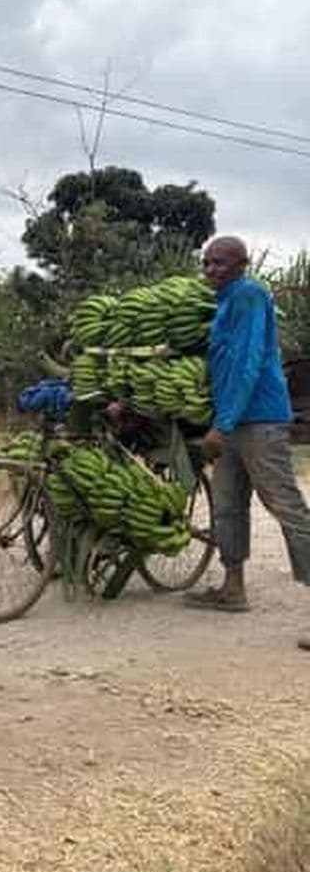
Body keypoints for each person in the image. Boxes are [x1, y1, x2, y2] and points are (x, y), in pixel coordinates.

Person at [184, 236, 310, 651]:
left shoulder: (251, 295)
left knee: (286, 507)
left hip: (259, 421)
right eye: (207, 263)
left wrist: (223, 424)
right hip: (231, 422)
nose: (211, 270)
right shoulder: (223, 303)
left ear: (242, 264)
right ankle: (232, 588)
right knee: (227, 505)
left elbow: (247, 362)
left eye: (220, 263)